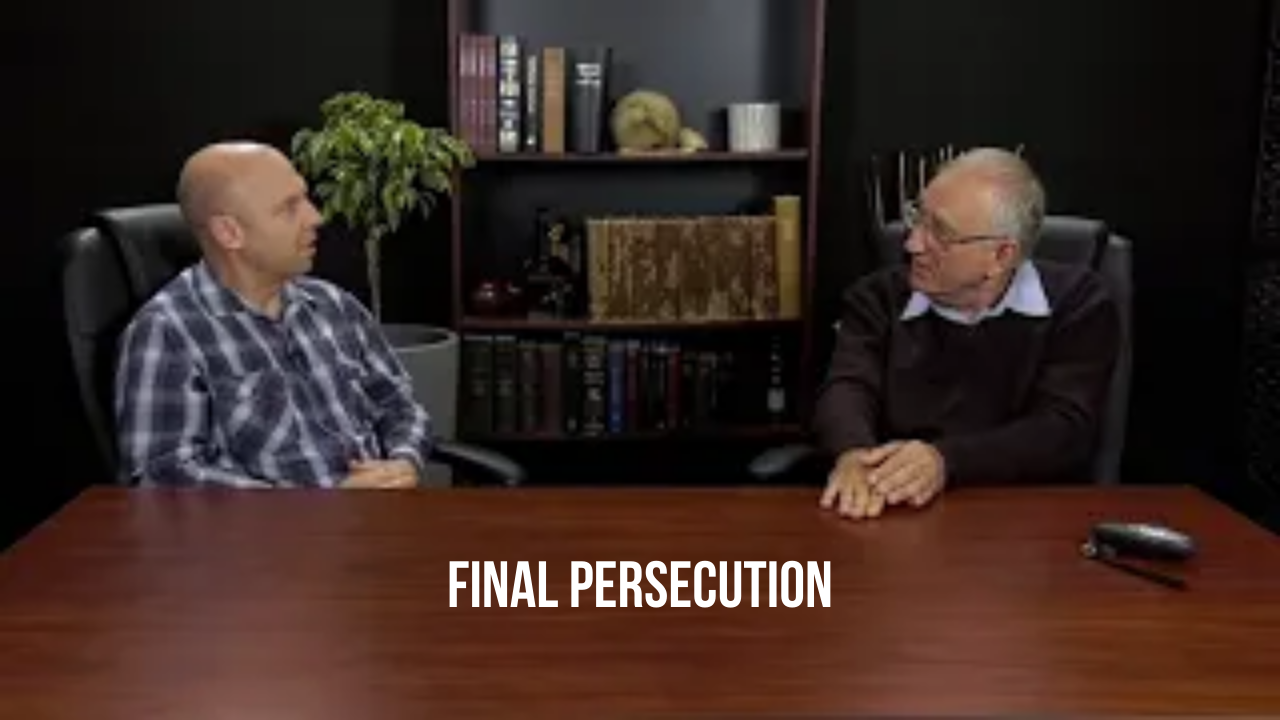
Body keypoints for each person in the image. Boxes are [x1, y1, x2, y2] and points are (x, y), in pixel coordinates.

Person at [815, 147, 1120, 519]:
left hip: (1027, 519)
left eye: (940, 232)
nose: (912, 244)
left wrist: (944, 461)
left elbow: (1062, 429)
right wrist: (853, 455)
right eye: (917, 217)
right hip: (893, 506)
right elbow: (847, 387)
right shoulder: (877, 298)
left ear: (1002, 255)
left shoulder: (1078, 304)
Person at [114, 141, 430, 489]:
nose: (316, 217)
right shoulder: (168, 331)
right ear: (229, 233)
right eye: (289, 208)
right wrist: (322, 504)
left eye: (305, 199)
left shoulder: (334, 304)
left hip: (380, 512)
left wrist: (403, 460)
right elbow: (163, 475)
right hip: (272, 524)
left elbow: (399, 403)